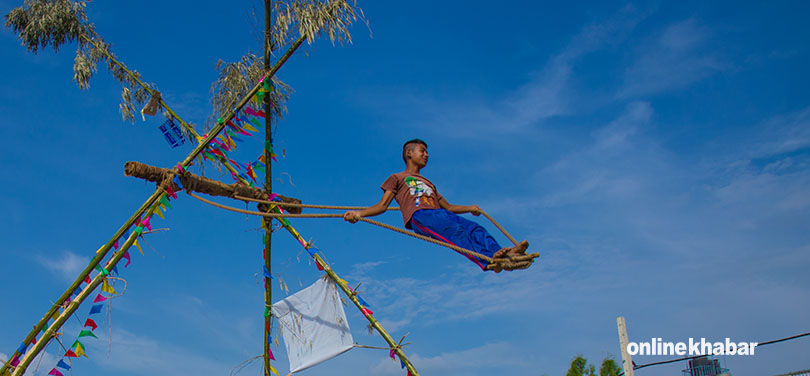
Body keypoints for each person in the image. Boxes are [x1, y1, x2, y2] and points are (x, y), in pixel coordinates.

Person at [343, 138, 529, 272]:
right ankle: (488, 261)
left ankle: (499, 253)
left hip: (440, 214)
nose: (426, 155)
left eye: (426, 152)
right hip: (421, 217)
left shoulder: (429, 183)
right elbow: (382, 206)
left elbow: (447, 207)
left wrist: (470, 208)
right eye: (422, 151)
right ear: (409, 153)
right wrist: (359, 214)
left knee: (473, 228)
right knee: (456, 233)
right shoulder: (397, 178)